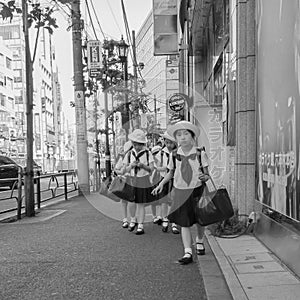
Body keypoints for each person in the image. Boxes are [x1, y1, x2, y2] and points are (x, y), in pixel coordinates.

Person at [152, 121, 210, 265]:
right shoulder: (173, 155)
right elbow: (170, 173)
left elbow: (207, 174)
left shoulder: (199, 153)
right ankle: (187, 251)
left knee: (199, 220)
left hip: (197, 190)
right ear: (176, 139)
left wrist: (205, 177)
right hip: (180, 192)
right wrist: (161, 184)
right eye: (179, 135)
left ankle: (200, 240)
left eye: (185, 134)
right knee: (184, 222)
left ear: (192, 137)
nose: (182, 137)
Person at [123, 129, 155, 235]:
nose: (137, 147)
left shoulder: (147, 153)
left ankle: (141, 224)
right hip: (131, 178)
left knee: (141, 203)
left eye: (140, 144)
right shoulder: (129, 154)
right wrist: (131, 166)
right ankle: (133, 220)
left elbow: (151, 169)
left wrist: (143, 166)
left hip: (142, 179)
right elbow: (124, 170)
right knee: (131, 202)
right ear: (132, 143)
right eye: (135, 144)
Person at [158, 130, 179, 234]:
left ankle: (174, 221)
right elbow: (157, 167)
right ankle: (165, 219)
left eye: (171, 142)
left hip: (176, 179)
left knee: (174, 200)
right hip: (164, 178)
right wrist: (165, 168)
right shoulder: (161, 153)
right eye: (167, 142)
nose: (169, 145)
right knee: (164, 200)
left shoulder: (178, 153)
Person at [114, 140, 134, 228]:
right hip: (124, 180)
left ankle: (133, 218)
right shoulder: (123, 158)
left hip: (134, 180)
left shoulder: (136, 157)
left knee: (133, 201)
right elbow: (116, 169)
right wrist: (121, 172)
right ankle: (125, 219)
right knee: (124, 201)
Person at [150, 145, 163, 225]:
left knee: (160, 199)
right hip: (153, 182)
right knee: (153, 200)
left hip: (160, 180)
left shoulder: (163, 159)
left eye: (157, 152)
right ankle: (154, 216)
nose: (156, 155)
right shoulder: (151, 162)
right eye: (154, 153)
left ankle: (159, 216)